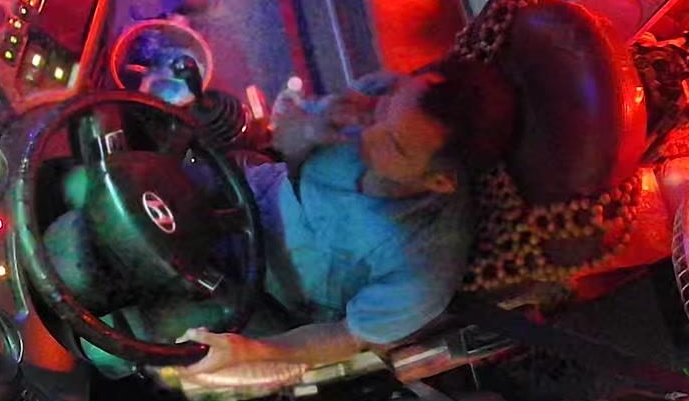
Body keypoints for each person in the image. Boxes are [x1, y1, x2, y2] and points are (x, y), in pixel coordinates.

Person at [175, 59, 517, 377]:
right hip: (248, 193)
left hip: (262, 289)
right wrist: (310, 128)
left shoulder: (425, 264)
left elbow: (347, 337)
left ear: (438, 182)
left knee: (169, 328)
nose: (368, 132)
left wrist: (249, 351)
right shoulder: (376, 96)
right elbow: (280, 139)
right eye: (384, 107)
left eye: (394, 145)